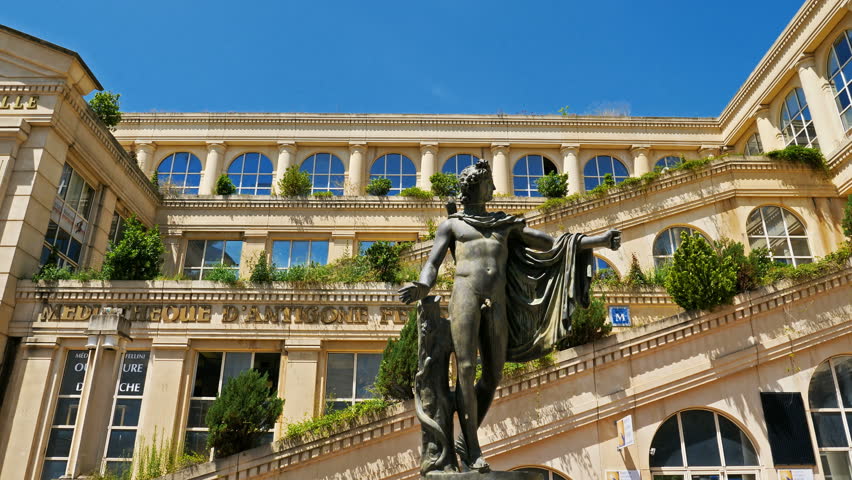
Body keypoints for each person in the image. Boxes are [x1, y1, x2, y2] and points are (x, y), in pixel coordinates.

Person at [399, 160, 620, 472]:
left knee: (492, 376)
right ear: (476, 187)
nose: (493, 188)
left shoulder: (505, 224)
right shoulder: (453, 225)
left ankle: (467, 437)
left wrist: (598, 241)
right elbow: (433, 262)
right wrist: (423, 284)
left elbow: (550, 243)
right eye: (488, 182)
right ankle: (472, 449)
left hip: (497, 301)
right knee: (464, 369)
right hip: (465, 296)